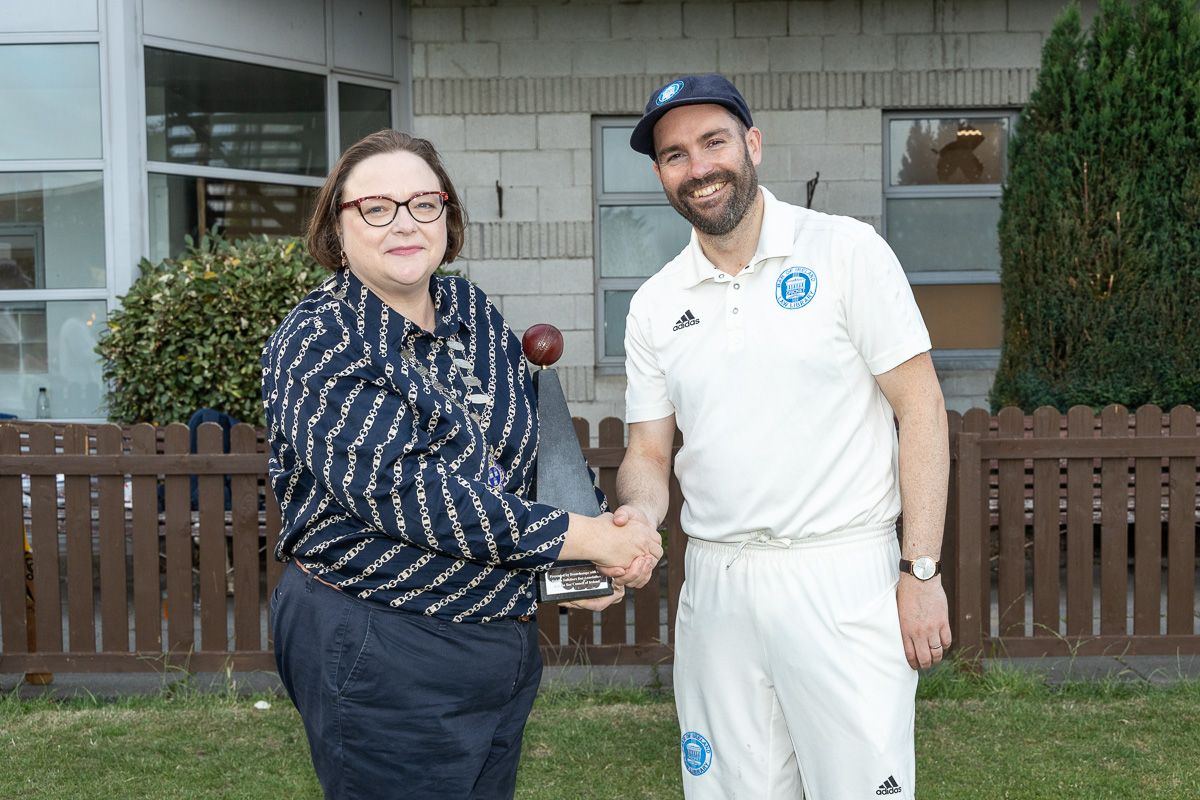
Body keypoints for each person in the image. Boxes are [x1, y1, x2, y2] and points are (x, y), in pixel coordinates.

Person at [261, 129, 662, 800]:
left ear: (448, 216)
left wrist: (587, 558)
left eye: (423, 203)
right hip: (381, 639)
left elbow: (524, 449)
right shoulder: (317, 338)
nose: (405, 224)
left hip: (496, 639)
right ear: (337, 225)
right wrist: (590, 538)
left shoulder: (468, 310)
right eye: (376, 208)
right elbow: (410, 493)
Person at [613, 75, 950, 799]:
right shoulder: (653, 305)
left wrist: (920, 572)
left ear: (752, 144)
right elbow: (648, 452)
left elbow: (920, 409)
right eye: (675, 155)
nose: (698, 168)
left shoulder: (846, 252)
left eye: (713, 142)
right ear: (659, 175)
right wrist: (638, 520)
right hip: (717, 584)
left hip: (842, 575)